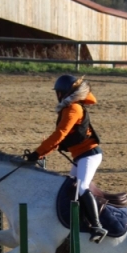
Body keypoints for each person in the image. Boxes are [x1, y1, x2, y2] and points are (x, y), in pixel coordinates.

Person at [24, 73, 107, 243]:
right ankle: (77, 223)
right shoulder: (69, 108)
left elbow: (59, 135)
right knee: (71, 188)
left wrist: (37, 153)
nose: (57, 96)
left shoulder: (73, 109)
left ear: (63, 93)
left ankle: (97, 226)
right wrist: (39, 154)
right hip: (81, 156)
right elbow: (58, 140)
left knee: (82, 187)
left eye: (58, 92)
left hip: (89, 155)